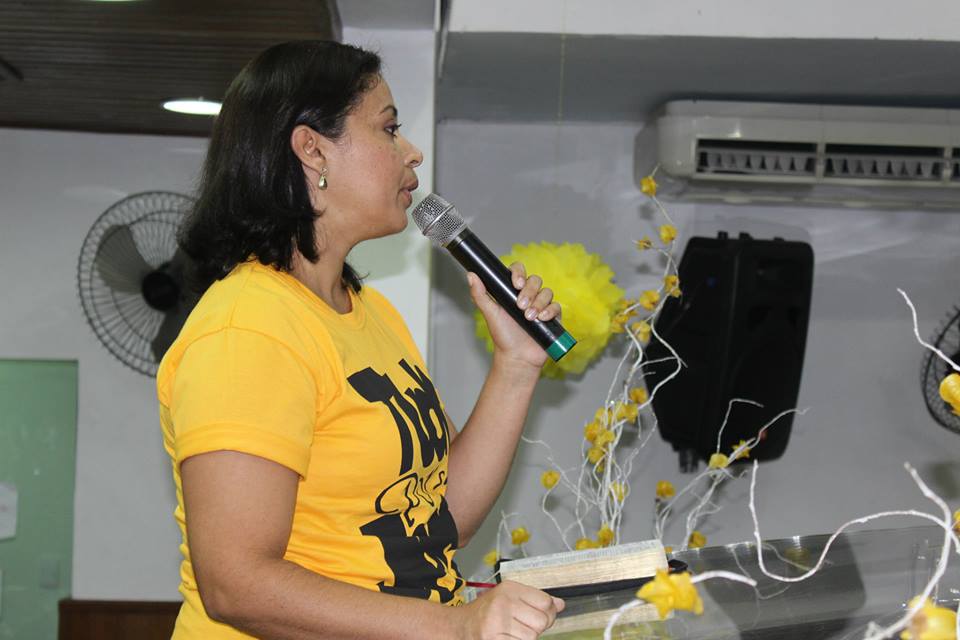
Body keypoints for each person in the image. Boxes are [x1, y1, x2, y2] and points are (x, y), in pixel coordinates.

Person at [157, 41, 565, 639]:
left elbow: (437, 518)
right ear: (312, 149)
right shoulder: (249, 328)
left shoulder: (371, 313)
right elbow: (236, 584)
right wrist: (454, 628)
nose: (412, 151)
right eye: (389, 129)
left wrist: (517, 364)